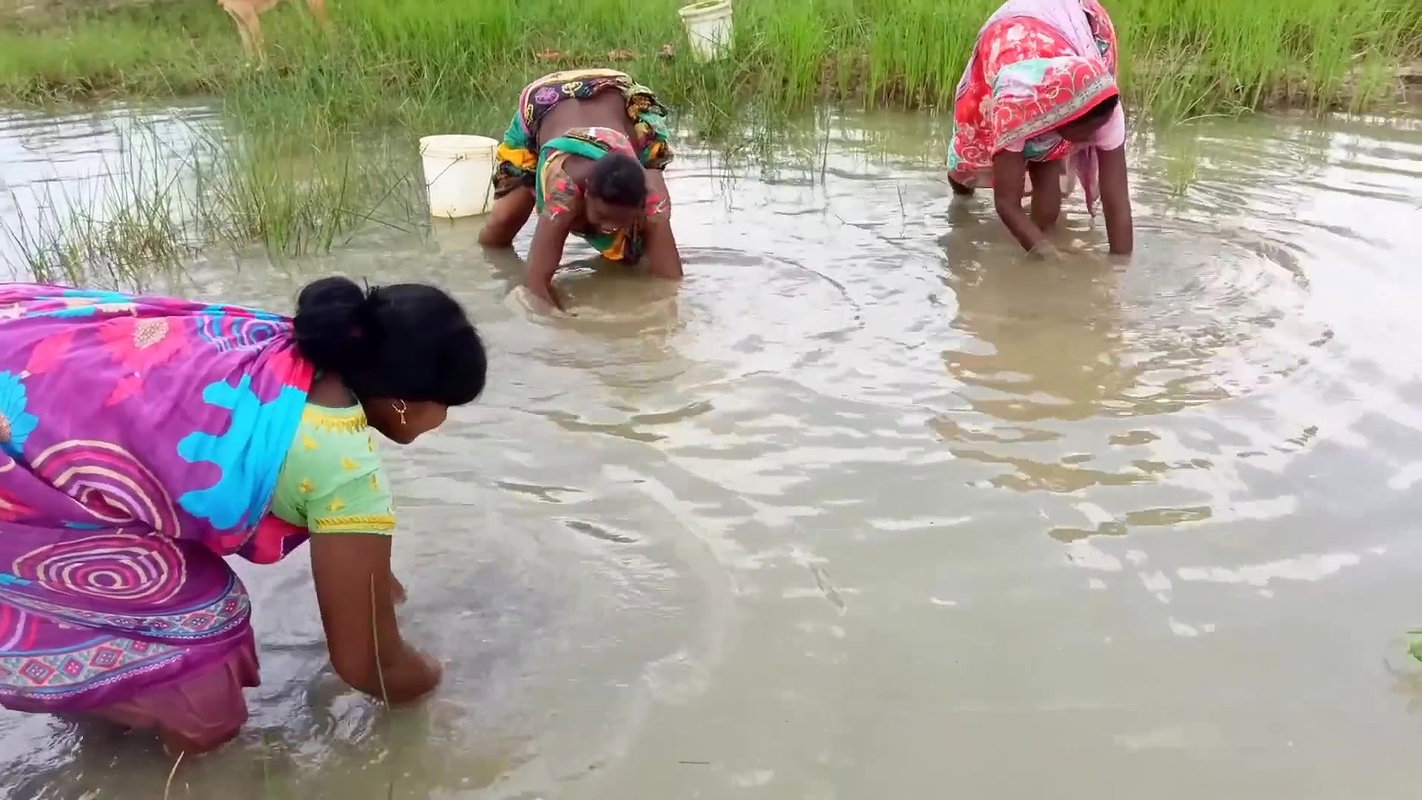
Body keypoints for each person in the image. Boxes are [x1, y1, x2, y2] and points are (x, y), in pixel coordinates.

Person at [0, 278, 487, 755]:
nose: (442, 423)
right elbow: (366, 666)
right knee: (203, 641)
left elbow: (359, 560)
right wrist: (439, 680)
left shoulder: (288, 342)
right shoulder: (344, 469)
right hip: (16, 468)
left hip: (25, 370)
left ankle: (103, 720)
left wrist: (382, 590)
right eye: (445, 408)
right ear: (405, 402)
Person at [477, 68, 683, 311]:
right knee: (502, 224)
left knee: (643, 244)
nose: (609, 227)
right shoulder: (564, 197)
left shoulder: (652, 205)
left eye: (620, 221)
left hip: (612, 94)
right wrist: (567, 331)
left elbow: (672, 287)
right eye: (604, 216)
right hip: (545, 100)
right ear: (587, 193)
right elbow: (535, 287)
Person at [946, 0, 1133, 256]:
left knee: (1047, 185)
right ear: (1061, 118)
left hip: (1060, 28)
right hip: (1011, 36)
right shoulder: (1014, 105)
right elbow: (1005, 203)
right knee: (971, 149)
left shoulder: (1108, 110)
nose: (1091, 140)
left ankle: (1031, 234)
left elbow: (1118, 202)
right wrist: (1049, 256)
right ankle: (960, 198)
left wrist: (1119, 270)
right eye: (1084, 133)